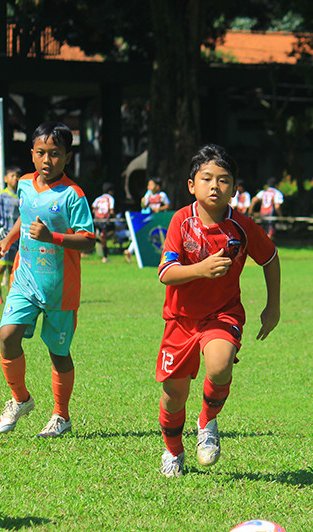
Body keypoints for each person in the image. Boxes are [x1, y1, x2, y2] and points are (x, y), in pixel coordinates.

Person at [155, 144, 280, 477]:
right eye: (206, 178)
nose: (215, 186)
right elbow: (166, 273)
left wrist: (274, 305)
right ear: (191, 185)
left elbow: (269, 257)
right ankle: (173, 450)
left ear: (235, 189)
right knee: (173, 396)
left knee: (220, 364)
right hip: (180, 319)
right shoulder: (182, 221)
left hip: (222, 313)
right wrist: (201, 269)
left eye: (224, 180)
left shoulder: (242, 226)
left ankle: (207, 422)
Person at [0, 121, 96, 437]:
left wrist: (53, 237)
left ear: (67, 157)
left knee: (58, 353)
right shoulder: (23, 184)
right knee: (8, 336)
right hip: (25, 281)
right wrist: (9, 241)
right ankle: (20, 399)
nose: (47, 160)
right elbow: (26, 214)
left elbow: (89, 240)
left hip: (60, 290)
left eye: (55, 154)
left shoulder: (73, 195)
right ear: (32, 155)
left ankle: (61, 416)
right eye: (41, 153)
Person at [0, 166, 21, 303]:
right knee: (1, 265)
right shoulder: (1, 195)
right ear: (6, 178)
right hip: (2, 236)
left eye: (17, 176)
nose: (15, 178)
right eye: (12, 176)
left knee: (13, 267)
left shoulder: (21, 196)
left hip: (16, 237)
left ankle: (11, 294)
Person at [127, 177, 171, 261]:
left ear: (157, 187)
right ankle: (130, 251)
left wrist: (160, 209)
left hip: (160, 219)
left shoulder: (162, 195)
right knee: (141, 234)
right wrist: (143, 202)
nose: (149, 186)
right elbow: (144, 206)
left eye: (151, 184)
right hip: (150, 219)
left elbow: (168, 205)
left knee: (162, 236)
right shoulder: (148, 195)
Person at [91, 181, 117, 263]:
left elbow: (93, 208)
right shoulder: (110, 198)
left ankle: (98, 239)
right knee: (108, 235)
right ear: (110, 191)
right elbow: (111, 211)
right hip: (105, 221)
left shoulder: (98, 198)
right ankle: (105, 257)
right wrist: (115, 218)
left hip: (97, 220)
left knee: (101, 237)